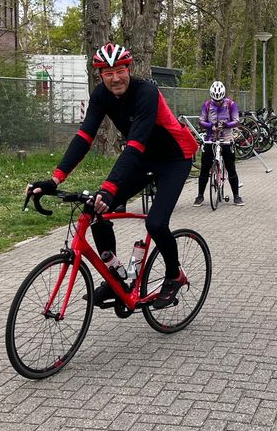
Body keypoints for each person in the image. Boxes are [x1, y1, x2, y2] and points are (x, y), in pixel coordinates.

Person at [28, 42, 198, 309]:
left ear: (128, 69)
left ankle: (174, 275)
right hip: (142, 157)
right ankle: (117, 277)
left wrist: (109, 187)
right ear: (100, 75)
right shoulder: (101, 96)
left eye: (120, 70)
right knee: (94, 210)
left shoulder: (146, 93)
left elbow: (135, 146)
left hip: (174, 159)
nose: (115, 77)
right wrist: (55, 179)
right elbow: (84, 137)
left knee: (155, 223)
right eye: (108, 73)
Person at [194, 80, 243, 206]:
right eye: (215, 100)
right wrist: (211, 126)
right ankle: (200, 196)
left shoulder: (231, 104)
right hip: (211, 138)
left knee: (231, 167)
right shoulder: (207, 105)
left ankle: (236, 196)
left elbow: (236, 121)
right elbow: (201, 121)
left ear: (224, 96)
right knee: (204, 167)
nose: (218, 102)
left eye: (220, 100)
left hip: (226, 138)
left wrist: (226, 124)